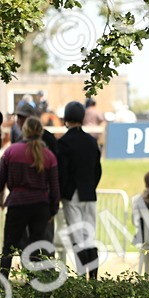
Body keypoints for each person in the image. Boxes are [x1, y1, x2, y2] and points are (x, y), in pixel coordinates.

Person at [0, 116, 59, 279]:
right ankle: (34, 284)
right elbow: (55, 189)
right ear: (40, 132)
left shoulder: (11, 152)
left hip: (17, 204)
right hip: (40, 206)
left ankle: (2, 284)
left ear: (24, 131)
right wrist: (52, 210)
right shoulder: (48, 156)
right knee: (35, 248)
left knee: (8, 247)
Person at [55, 100, 103, 279]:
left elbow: (63, 171)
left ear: (66, 118)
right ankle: (94, 278)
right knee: (89, 237)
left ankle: (82, 277)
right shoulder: (91, 142)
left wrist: (62, 192)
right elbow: (97, 170)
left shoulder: (64, 142)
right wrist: (91, 186)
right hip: (89, 193)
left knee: (77, 238)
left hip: (72, 193)